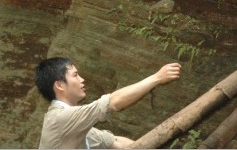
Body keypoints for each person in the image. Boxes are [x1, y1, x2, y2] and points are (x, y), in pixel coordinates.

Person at [35, 57, 181, 149]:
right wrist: (156, 78)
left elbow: (115, 142)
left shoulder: (76, 126)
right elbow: (112, 102)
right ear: (59, 85)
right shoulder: (60, 119)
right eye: (75, 75)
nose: (82, 79)